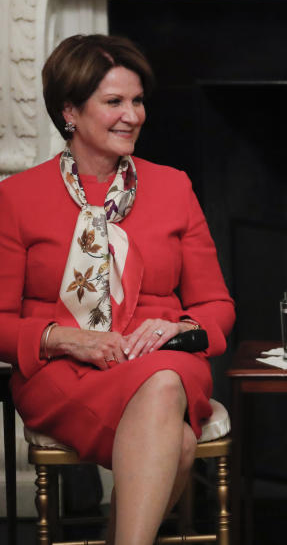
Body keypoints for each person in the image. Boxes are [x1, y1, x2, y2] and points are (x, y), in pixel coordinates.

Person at [0, 34, 235, 545]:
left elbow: (216, 305)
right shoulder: (16, 198)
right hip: (64, 370)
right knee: (173, 438)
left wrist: (179, 328)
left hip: (164, 356)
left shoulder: (174, 187)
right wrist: (64, 338)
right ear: (70, 111)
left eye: (137, 100)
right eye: (114, 102)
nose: (133, 115)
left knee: (165, 381)